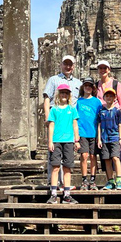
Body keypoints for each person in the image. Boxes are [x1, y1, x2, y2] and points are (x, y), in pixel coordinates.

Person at [43, 55, 82, 185]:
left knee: (68, 154)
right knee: (53, 151)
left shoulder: (78, 83)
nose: (68, 67)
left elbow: (81, 101)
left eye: (70, 64)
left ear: (74, 66)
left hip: (71, 120)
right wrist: (48, 118)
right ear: (61, 64)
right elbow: (47, 98)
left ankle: (66, 184)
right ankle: (53, 183)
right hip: (56, 118)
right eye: (65, 64)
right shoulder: (53, 80)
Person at [96, 60, 121, 189]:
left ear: (109, 69)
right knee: (105, 154)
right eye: (100, 68)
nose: (103, 70)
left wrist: (118, 114)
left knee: (120, 152)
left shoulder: (116, 84)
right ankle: (110, 180)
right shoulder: (96, 85)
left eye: (105, 68)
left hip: (115, 121)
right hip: (103, 122)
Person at [47, 84, 80, 204]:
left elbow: (75, 125)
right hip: (56, 141)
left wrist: (77, 140)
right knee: (55, 167)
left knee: (67, 167)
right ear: (58, 94)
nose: (64, 95)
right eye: (62, 93)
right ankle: (54, 194)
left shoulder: (72, 109)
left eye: (66, 93)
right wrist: (50, 141)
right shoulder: (54, 109)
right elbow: (51, 126)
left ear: (69, 95)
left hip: (69, 141)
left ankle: (67, 194)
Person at [98, 87, 121, 190]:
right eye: (107, 96)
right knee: (107, 160)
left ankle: (118, 179)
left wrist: (120, 138)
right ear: (104, 97)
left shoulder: (117, 111)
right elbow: (99, 125)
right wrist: (99, 139)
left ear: (114, 98)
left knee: (115, 158)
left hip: (114, 137)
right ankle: (110, 180)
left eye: (111, 96)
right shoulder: (101, 111)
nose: (109, 97)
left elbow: (120, 125)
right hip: (104, 138)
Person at [76, 77, 101, 190]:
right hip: (82, 132)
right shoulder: (79, 101)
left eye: (90, 86)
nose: (88, 87)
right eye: (86, 85)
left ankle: (92, 179)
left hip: (94, 132)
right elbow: (75, 119)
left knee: (92, 156)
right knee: (84, 155)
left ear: (93, 88)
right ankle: (84, 179)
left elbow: (100, 118)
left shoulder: (97, 101)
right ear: (83, 87)